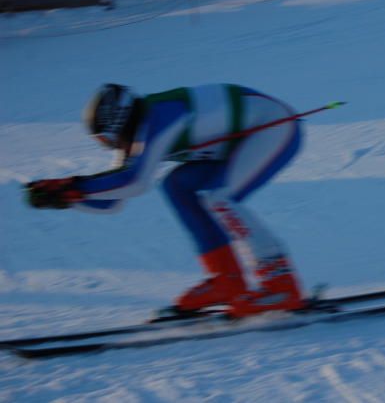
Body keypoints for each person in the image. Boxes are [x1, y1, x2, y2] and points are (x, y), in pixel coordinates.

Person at [24, 83, 307, 318]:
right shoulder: (136, 134)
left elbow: (135, 182)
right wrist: (66, 198)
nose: (112, 147)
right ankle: (227, 282)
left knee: (220, 198)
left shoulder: (161, 117)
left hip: (273, 126)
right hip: (241, 138)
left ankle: (281, 284)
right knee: (177, 186)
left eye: (109, 140)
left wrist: (74, 187)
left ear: (121, 123)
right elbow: (113, 201)